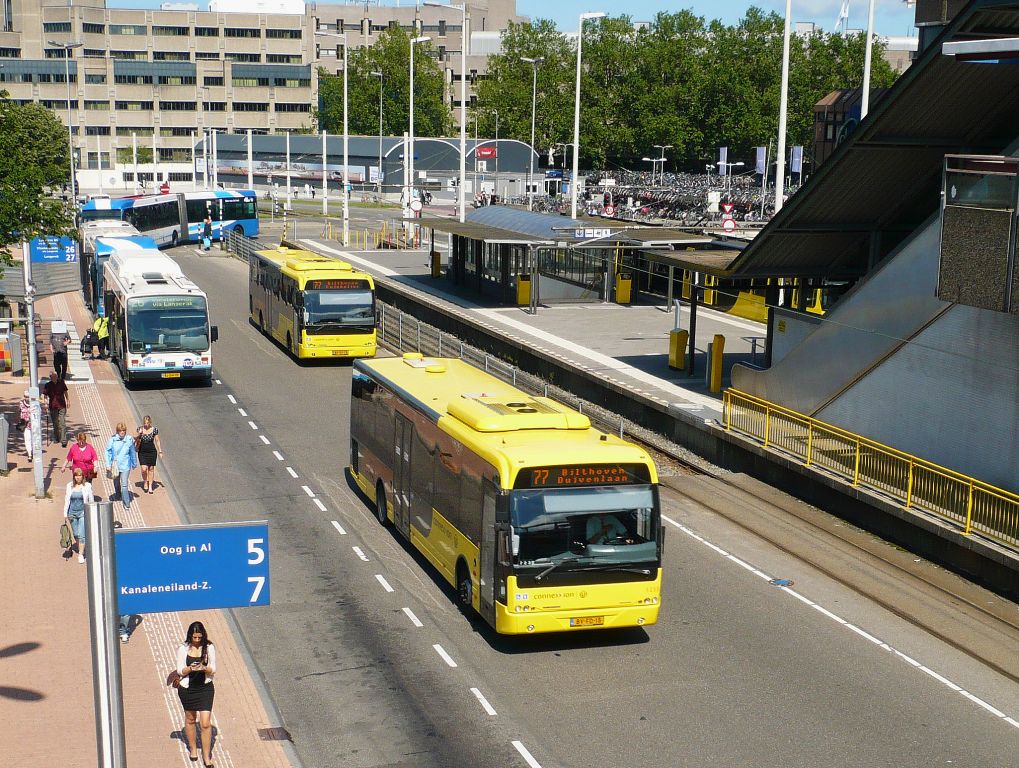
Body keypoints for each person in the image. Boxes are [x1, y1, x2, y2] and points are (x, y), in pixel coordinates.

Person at [176, 621, 217, 767]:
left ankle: (207, 756)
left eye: (200, 637)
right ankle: (193, 749)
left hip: (205, 688)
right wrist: (190, 669)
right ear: (190, 636)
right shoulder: (183, 648)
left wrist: (204, 668)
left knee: (205, 723)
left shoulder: (209, 647)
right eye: (195, 637)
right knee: (190, 719)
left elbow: (213, 669)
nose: (197, 640)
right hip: (188, 689)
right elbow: (180, 670)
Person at [63, 468, 95, 563]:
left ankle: (81, 554)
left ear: (83, 476)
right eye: (76, 475)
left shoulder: (87, 486)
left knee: (81, 534)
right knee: (76, 533)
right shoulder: (69, 486)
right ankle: (81, 547)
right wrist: (65, 513)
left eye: (80, 475)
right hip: (72, 513)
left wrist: (92, 510)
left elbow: (91, 499)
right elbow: (67, 499)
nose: (78, 477)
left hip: (82, 513)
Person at [105, 422, 138, 512]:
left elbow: (132, 452)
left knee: (124, 484)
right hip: (115, 466)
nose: (122, 432)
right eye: (120, 430)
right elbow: (108, 452)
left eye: (124, 430)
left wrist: (134, 463)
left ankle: (126, 503)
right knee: (116, 482)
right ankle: (118, 494)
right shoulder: (112, 440)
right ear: (117, 431)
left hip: (125, 466)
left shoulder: (129, 439)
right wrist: (108, 464)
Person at [42, 370, 69, 447]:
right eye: (53, 377)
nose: (55, 378)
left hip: (62, 405)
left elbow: (65, 391)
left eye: (56, 376)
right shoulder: (47, 385)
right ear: (50, 377)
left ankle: (63, 439)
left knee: (62, 422)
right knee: (55, 423)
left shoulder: (61, 382)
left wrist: (68, 400)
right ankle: (57, 437)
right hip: (53, 406)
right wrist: (45, 404)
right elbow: (45, 396)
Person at [136, 415, 162, 494]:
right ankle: (145, 482)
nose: (146, 425)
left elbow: (157, 440)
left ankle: (150, 486)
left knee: (151, 469)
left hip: (151, 451)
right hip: (142, 451)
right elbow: (136, 439)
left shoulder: (154, 430)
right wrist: (140, 434)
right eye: (144, 423)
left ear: (150, 422)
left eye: (147, 423)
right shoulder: (140, 429)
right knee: (144, 469)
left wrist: (160, 451)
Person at [17, 390, 33, 461]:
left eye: (28, 397)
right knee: (27, 439)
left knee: (33, 439)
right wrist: (19, 421)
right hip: (25, 425)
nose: (27, 398)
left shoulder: (34, 403)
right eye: (26, 396)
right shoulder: (21, 403)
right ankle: (29, 454)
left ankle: (33, 451)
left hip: (34, 425)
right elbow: (19, 411)